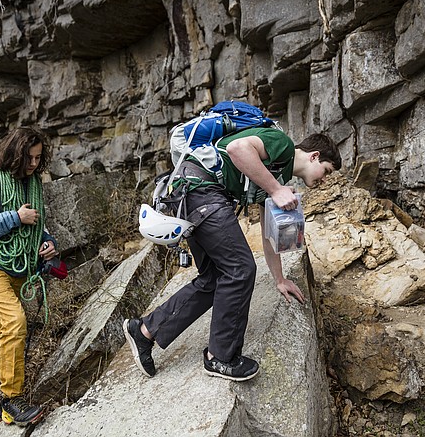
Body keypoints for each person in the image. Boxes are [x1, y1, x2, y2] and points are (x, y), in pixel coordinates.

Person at [124, 129, 340, 381]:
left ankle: (144, 330)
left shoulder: (276, 175)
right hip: (201, 191)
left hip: (192, 193)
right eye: (327, 171)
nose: (325, 179)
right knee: (240, 269)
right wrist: (275, 189)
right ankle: (220, 358)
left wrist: (279, 279)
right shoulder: (281, 144)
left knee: (214, 278)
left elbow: (267, 230)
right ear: (314, 156)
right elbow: (238, 149)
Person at [0, 127, 58, 427]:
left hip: (21, 266)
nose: (33, 164)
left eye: (38, 158)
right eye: (28, 158)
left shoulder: (33, 185)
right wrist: (14, 217)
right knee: (15, 322)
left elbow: (36, 224)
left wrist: (47, 242)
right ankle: (11, 400)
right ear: (14, 154)